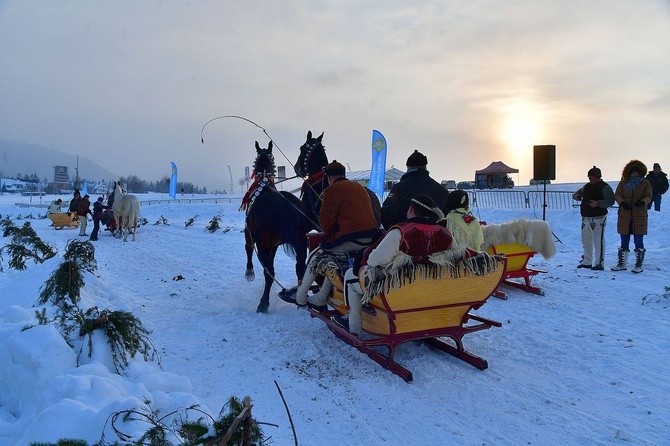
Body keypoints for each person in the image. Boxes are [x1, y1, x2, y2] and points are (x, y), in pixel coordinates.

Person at [338, 195, 454, 335]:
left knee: (350, 276)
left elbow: (374, 261)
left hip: (397, 289)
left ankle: (353, 323)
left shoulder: (401, 231)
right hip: (431, 289)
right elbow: (457, 255)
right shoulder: (444, 232)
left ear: (411, 209)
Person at [280, 160, 382, 308]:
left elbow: (325, 224)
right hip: (372, 239)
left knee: (316, 257)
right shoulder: (360, 187)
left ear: (328, 178)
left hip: (351, 241)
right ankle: (322, 297)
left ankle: (301, 297)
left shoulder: (331, 190)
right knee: (333, 262)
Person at [380, 150, 448, 229]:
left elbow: (387, 213)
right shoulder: (441, 190)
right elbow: (447, 218)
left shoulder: (399, 188)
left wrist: (395, 232)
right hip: (436, 237)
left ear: (409, 167)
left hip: (405, 236)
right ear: (425, 166)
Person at [611, 160, 652, 273]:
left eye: (636, 172)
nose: (634, 174)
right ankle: (622, 263)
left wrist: (643, 202)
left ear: (640, 173)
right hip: (625, 214)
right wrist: (622, 202)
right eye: (632, 172)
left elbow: (648, 196)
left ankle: (639, 264)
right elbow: (617, 194)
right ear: (628, 173)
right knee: (624, 239)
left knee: (638, 240)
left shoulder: (645, 183)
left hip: (639, 215)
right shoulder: (623, 183)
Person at [572, 166, 615, 270]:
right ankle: (587, 260)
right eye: (589, 177)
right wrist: (576, 196)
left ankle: (599, 262)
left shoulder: (605, 187)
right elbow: (578, 193)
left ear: (597, 177)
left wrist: (598, 203)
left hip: (599, 217)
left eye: (591, 177)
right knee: (586, 240)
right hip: (586, 218)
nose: (590, 179)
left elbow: (611, 201)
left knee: (597, 241)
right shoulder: (587, 186)